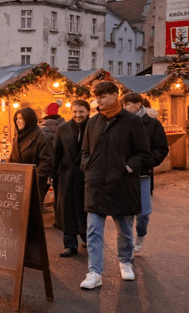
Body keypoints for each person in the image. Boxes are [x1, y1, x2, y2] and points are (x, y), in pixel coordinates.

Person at [79, 82, 150, 289]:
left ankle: (125, 261)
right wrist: (88, 168)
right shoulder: (93, 122)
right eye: (96, 97)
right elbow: (85, 151)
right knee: (93, 231)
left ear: (114, 95)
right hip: (96, 185)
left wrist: (127, 168)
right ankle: (94, 272)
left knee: (125, 231)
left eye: (102, 96)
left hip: (122, 184)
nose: (98, 100)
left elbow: (143, 153)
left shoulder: (132, 122)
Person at [121, 93, 169, 255]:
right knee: (125, 212)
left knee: (143, 213)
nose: (125, 107)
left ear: (138, 104)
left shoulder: (153, 124)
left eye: (127, 104)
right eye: (124, 103)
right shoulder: (120, 122)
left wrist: (147, 163)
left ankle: (140, 236)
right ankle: (127, 244)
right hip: (124, 174)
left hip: (142, 175)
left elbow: (161, 148)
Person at [52, 99, 89, 257]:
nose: (78, 115)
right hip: (67, 175)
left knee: (86, 209)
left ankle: (88, 238)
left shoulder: (94, 127)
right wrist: (52, 175)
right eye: (75, 111)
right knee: (67, 209)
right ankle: (70, 244)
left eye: (81, 111)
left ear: (87, 112)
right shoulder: (62, 128)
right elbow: (56, 153)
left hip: (87, 175)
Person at [9, 107, 54, 204]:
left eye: (21, 118)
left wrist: (32, 177)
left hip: (34, 186)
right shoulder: (18, 137)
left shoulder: (41, 138)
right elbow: (12, 158)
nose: (18, 121)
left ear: (29, 120)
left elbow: (47, 162)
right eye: (17, 118)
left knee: (31, 214)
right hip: (17, 184)